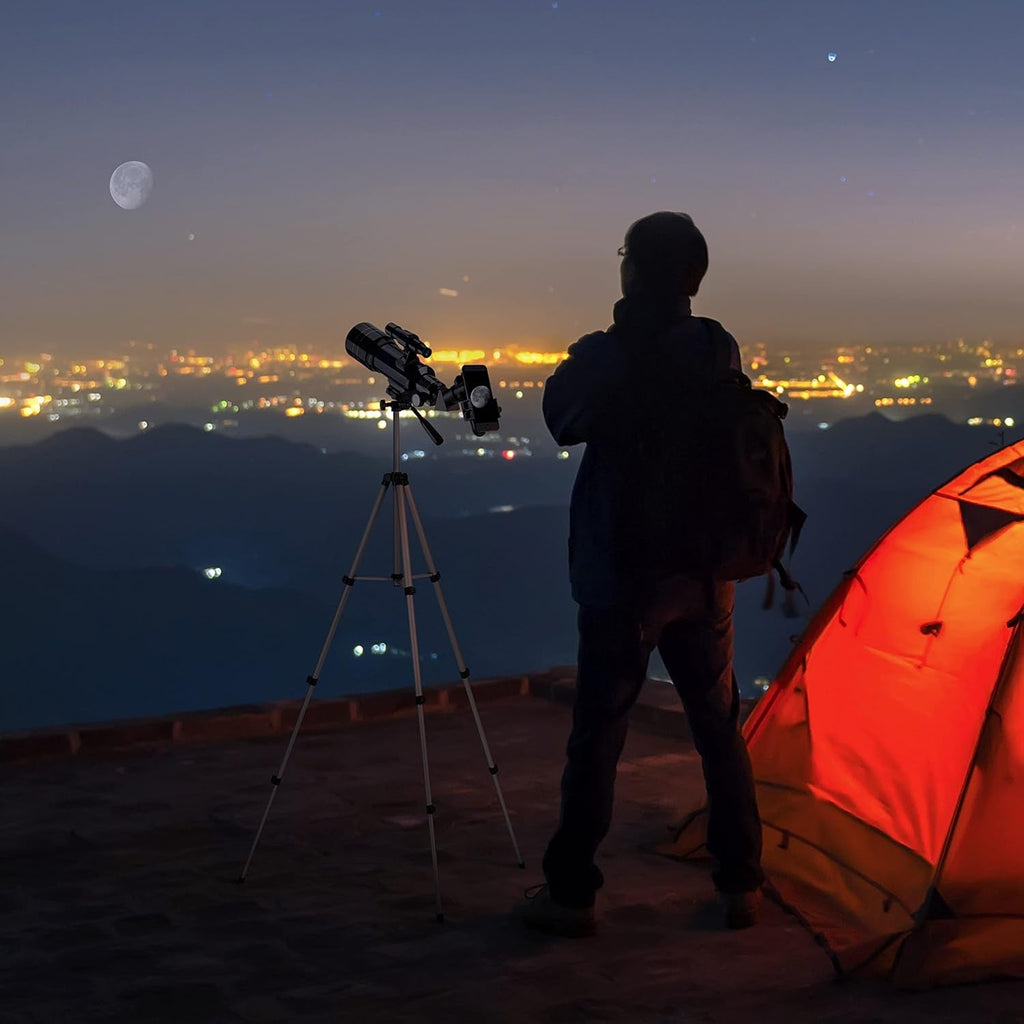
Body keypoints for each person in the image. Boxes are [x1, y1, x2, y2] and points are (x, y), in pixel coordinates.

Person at [519, 211, 764, 937]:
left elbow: (561, 416)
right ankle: (742, 880)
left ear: (631, 272)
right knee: (719, 727)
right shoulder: (718, 346)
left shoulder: (609, 354)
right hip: (706, 570)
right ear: (695, 278)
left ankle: (571, 894)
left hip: (624, 574)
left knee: (598, 734)